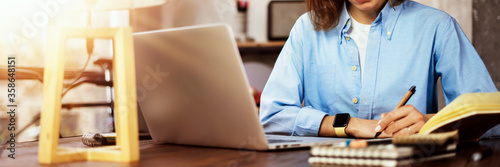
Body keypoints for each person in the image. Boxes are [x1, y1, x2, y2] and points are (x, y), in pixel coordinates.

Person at [259, 0, 498, 138]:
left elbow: (490, 119)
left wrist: (430, 123)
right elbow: (272, 117)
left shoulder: (437, 27)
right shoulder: (306, 29)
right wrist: (349, 124)